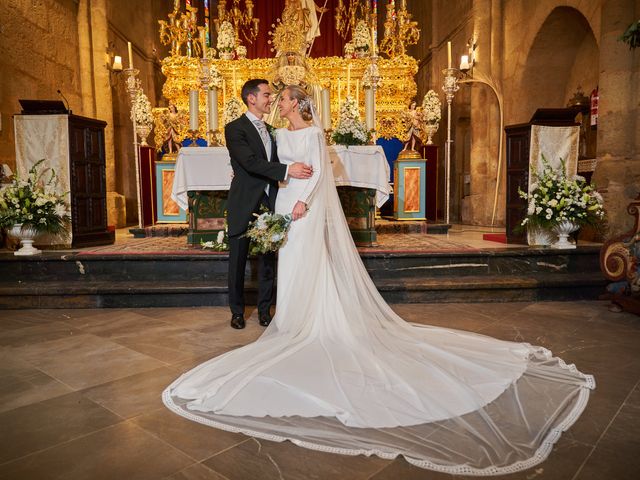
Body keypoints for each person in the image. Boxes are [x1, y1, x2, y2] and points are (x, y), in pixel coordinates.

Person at [164, 86, 595, 476]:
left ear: (296, 103)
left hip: (301, 209)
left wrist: (301, 203)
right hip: (282, 203)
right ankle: (290, 320)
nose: (277, 101)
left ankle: (310, 320)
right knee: (287, 262)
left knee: (301, 262)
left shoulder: (312, 134)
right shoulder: (275, 134)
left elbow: (317, 175)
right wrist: (285, 188)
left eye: (283, 98)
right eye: (272, 97)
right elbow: (268, 164)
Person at [223, 79, 313, 330]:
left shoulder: (274, 131)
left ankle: (265, 310)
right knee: (238, 260)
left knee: (267, 260)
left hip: (271, 201)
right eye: (266, 94)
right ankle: (237, 312)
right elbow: (250, 162)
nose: (271, 99)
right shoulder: (235, 128)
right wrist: (288, 169)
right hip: (244, 201)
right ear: (251, 98)